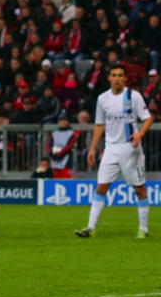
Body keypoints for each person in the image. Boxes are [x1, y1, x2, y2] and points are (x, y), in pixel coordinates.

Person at [75, 64, 154, 239]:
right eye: (114, 75)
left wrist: (140, 133)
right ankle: (90, 228)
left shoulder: (134, 97)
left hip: (130, 148)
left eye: (120, 75)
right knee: (101, 187)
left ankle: (143, 229)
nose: (117, 78)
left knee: (139, 189)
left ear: (125, 78)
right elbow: (99, 124)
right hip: (110, 148)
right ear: (109, 77)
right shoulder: (103, 99)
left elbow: (148, 118)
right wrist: (92, 149)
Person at [47, 113, 80, 178]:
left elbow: (69, 145)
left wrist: (60, 154)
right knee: (56, 178)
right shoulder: (54, 133)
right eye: (60, 121)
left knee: (66, 179)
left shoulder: (71, 133)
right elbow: (49, 144)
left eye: (64, 120)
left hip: (66, 159)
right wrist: (51, 153)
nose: (62, 122)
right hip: (55, 158)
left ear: (67, 122)